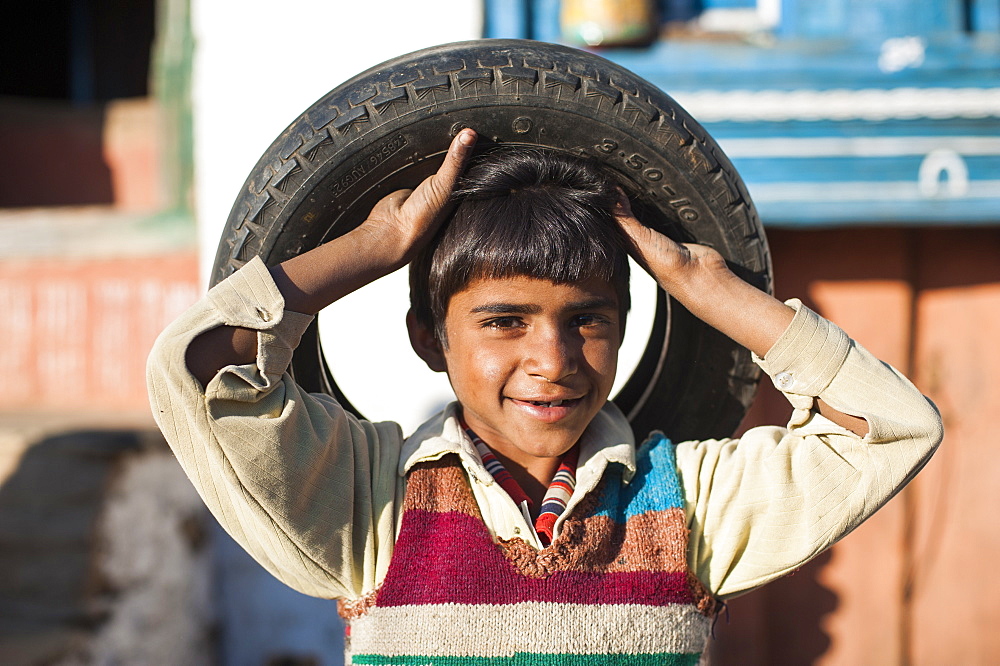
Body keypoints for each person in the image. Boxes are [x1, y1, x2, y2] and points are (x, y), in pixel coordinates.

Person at [148, 129, 942, 664]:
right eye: (503, 321)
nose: (553, 359)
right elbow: (199, 369)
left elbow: (891, 428)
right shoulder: (371, 503)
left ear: (629, 327)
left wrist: (704, 287)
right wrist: (377, 243)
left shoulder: (689, 503)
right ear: (431, 337)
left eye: (588, 319)